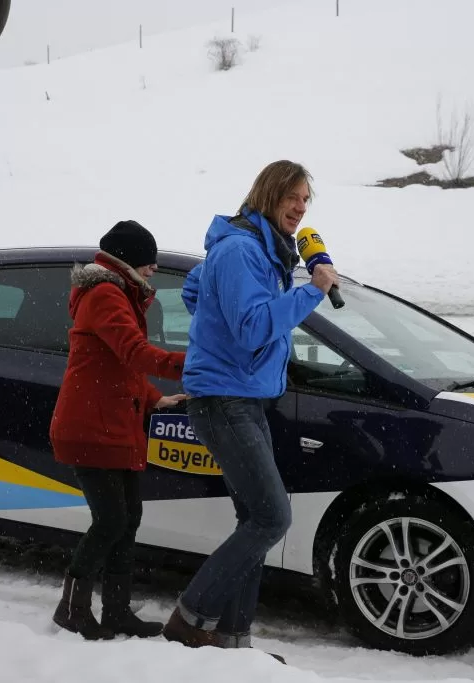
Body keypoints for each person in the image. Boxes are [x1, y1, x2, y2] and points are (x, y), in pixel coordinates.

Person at [160, 160, 340, 660]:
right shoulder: (242, 249)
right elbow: (255, 327)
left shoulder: (254, 248)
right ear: (271, 193)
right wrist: (313, 291)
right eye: (294, 197)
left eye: (307, 200)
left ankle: (232, 643)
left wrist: (217, 327)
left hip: (244, 395)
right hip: (225, 399)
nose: (301, 208)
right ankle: (190, 620)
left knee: (254, 519)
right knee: (271, 517)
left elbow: (196, 290)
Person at [50, 220, 187, 641]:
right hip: (91, 427)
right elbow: (135, 352)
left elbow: (117, 365)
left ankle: (116, 611)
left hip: (115, 424)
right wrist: (197, 365)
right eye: (148, 263)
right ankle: (71, 608)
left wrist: (153, 399)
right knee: (111, 521)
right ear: (127, 260)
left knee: (128, 520)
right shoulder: (106, 294)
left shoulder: (119, 294)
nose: (152, 272)